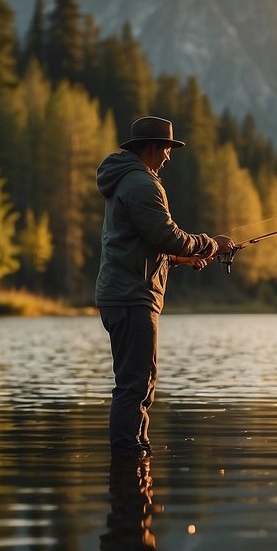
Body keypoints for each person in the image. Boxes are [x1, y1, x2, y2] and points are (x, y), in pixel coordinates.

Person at [95, 116, 234, 457]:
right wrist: (208, 244)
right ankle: (129, 455)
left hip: (124, 294)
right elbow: (166, 236)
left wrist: (179, 260)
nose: (169, 157)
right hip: (132, 298)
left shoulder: (127, 181)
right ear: (154, 147)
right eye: (168, 149)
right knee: (135, 384)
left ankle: (135, 456)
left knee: (138, 381)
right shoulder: (142, 184)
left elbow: (140, 245)